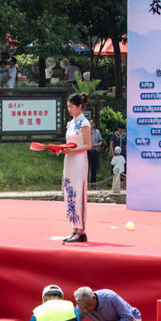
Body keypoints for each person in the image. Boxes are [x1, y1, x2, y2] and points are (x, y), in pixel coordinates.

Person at [59, 93, 92, 243]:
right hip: (69, 160)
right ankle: (73, 228)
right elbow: (70, 142)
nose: (69, 109)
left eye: (72, 107)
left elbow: (88, 144)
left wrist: (73, 150)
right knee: (69, 192)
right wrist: (61, 149)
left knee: (78, 193)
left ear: (79, 106)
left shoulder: (84, 123)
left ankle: (81, 231)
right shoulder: (70, 123)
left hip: (79, 160)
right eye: (68, 107)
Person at [87, 120, 103, 187]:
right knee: (87, 168)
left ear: (94, 124)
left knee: (94, 169)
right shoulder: (86, 132)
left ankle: (93, 184)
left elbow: (100, 142)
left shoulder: (97, 132)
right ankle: (86, 184)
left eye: (91, 123)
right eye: (89, 124)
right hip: (87, 151)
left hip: (95, 151)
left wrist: (96, 145)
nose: (90, 125)